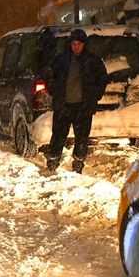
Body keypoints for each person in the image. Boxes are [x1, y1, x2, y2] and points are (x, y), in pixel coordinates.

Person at [44, 28, 108, 173]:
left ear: (84, 44)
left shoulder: (92, 60)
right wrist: (53, 89)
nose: (76, 47)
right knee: (58, 135)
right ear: (70, 44)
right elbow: (49, 75)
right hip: (63, 105)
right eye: (74, 43)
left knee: (82, 137)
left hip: (83, 107)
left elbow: (102, 79)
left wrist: (95, 95)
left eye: (79, 44)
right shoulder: (61, 59)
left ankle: (78, 164)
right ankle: (53, 162)